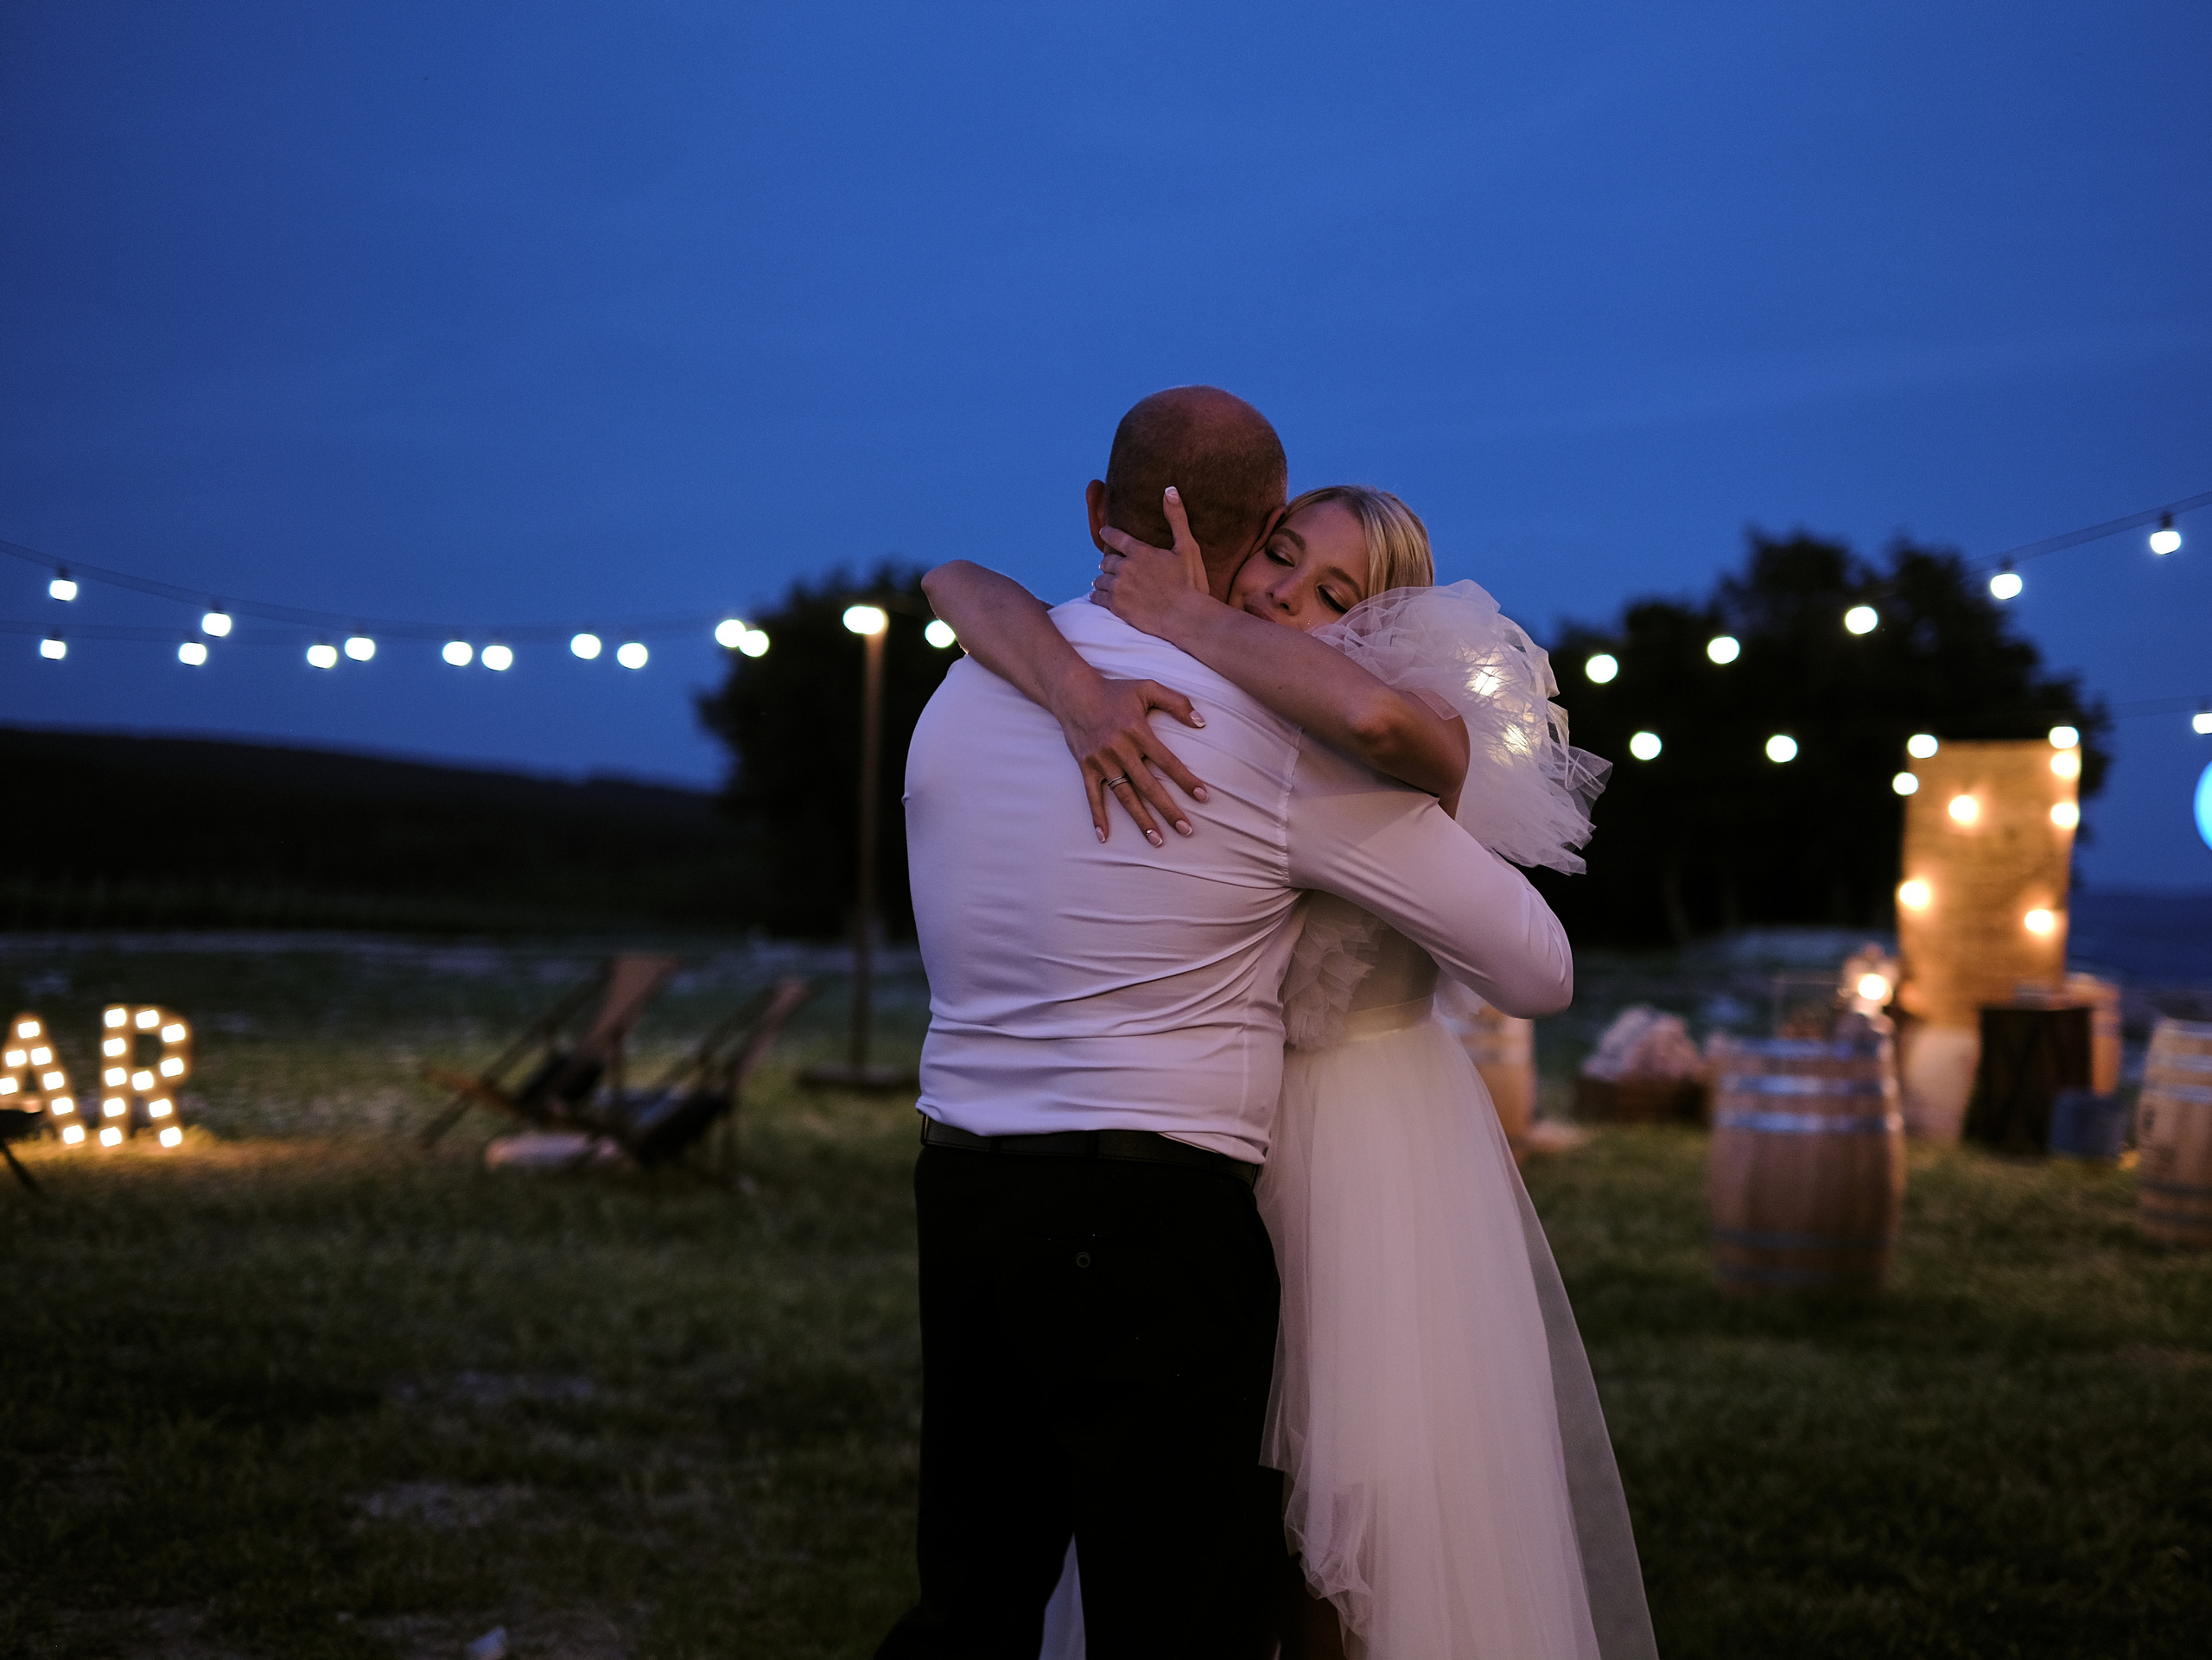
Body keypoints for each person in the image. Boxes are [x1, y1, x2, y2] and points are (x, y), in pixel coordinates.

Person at [881, 386, 1577, 1660]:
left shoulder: (965, 693)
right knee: (1180, 1616)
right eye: (1283, 559)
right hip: (1152, 1215)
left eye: (1325, 591)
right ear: (1253, 527)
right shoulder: (1272, 750)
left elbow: (958, 580)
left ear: (1103, 510)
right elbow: (1537, 966)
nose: (1281, 598)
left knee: (976, 1599)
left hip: (963, 1193)